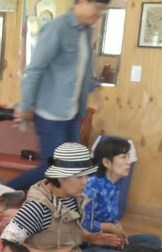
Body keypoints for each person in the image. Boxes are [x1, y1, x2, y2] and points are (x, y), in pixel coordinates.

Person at [2, 142, 116, 252]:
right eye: (79, 176)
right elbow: (7, 244)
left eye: (86, 175)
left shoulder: (72, 197)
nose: (85, 181)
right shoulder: (37, 207)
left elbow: (64, 229)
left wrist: (89, 237)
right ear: (60, 178)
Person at [9, 0, 109, 191]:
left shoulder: (86, 31)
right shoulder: (57, 28)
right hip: (50, 115)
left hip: (72, 115)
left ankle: (58, 206)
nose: (98, 14)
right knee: (51, 169)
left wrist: (94, 89)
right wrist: (25, 105)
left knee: (70, 168)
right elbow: (35, 69)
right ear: (82, 2)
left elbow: (84, 67)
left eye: (102, 10)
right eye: (96, 8)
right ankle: (3, 193)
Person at [82, 137, 162, 252]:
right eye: (123, 157)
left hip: (108, 241)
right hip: (90, 244)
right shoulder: (92, 186)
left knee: (153, 241)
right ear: (106, 162)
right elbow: (83, 224)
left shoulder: (116, 183)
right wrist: (111, 228)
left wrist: (117, 227)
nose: (128, 162)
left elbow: (109, 216)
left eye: (128, 157)